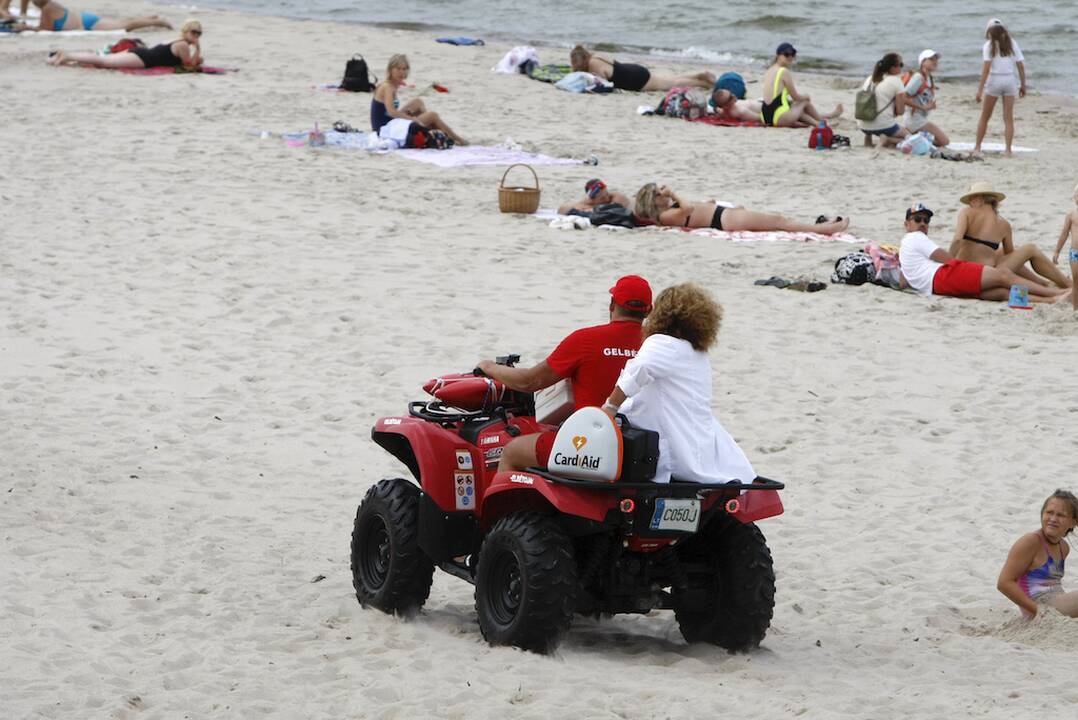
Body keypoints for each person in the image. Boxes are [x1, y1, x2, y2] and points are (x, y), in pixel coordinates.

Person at [477, 276, 652, 473]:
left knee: (511, 451)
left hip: (590, 446)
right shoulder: (656, 346)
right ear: (649, 311)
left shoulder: (586, 340)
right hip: (641, 447)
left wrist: (489, 367)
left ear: (612, 304)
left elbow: (529, 381)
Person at [600, 283, 753, 485]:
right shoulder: (698, 354)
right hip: (698, 450)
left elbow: (640, 369)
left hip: (668, 454)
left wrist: (609, 408)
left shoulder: (663, 343)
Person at [898, 203, 1068, 303]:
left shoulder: (905, 245)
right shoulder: (916, 237)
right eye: (917, 219)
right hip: (944, 276)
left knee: (1001, 292)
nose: (923, 223)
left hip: (936, 288)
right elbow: (948, 260)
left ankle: (1049, 301)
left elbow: (903, 282)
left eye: (926, 220)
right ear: (907, 224)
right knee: (1003, 275)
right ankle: (1055, 293)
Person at [949, 181, 1071, 290]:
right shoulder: (1004, 224)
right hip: (987, 273)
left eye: (971, 199)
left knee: (1001, 252)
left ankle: (1043, 283)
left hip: (966, 270)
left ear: (979, 198)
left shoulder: (966, 213)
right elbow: (1011, 255)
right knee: (1030, 249)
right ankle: (1064, 283)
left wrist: (947, 263)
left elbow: (957, 240)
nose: (969, 203)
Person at [633, 183, 850, 235]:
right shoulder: (666, 215)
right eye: (659, 193)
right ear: (654, 201)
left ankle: (821, 227)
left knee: (778, 220)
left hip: (723, 214)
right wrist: (672, 192)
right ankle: (825, 229)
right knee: (779, 222)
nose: (664, 193)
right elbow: (688, 208)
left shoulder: (668, 212)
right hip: (724, 220)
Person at [997, 490, 1078, 618]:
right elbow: (1004, 583)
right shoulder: (1030, 542)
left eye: (1061, 515)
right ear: (1042, 514)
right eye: (1049, 512)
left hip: (1058, 600)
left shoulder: (1064, 547)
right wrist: (1038, 611)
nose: (1053, 519)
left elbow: (1052, 583)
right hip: (1040, 606)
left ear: (1073, 522)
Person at [371, 54, 466, 145]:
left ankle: (428, 130)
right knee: (432, 115)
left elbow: (391, 113)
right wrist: (413, 119)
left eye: (404, 69)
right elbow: (392, 112)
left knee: (418, 102)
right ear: (390, 70)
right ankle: (458, 139)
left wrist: (410, 117)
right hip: (384, 129)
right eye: (398, 69)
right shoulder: (387, 87)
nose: (401, 72)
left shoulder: (393, 85)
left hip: (390, 122)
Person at [48, 19, 202, 70]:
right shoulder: (182, 45)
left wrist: (196, 51)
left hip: (140, 54)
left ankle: (68, 59)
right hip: (143, 58)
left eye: (198, 34)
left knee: (102, 61)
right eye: (193, 32)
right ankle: (68, 55)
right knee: (103, 61)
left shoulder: (176, 40)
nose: (196, 36)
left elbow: (190, 63)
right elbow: (189, 67)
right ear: (186, 31)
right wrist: (198, 49)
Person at [759, 42, 842, 128]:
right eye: (787, 54)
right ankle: (823, 123)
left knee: (795, 107)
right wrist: (806, 96)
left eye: (792, 54)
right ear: (778, 56)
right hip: (778, 117)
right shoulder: (783, 72)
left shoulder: (769, 70)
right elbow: (796, 97)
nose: (790, 57)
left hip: (765, 117)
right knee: (804, 102)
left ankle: (819, 122)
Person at [975, 18, 1026, 156]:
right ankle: (1008, 150)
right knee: (1008, 118)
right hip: (1010, 81)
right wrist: (1023, 85)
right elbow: (1020, 65)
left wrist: (980, 90)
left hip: (994, 81)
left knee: (985, 116)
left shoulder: (988, 46)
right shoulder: (1012, 43)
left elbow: (986, 69)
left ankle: (977, 147)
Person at [569, 44, 714, 92]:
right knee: (670, 80)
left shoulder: (593, 64)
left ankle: (702, 82)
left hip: (636, 79)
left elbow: (604, 83)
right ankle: (699, 75)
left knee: (670, 85)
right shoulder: (596, 56)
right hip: (634, 71)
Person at [856, 52, 909, 148]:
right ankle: (887, 139)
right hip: (883, 126)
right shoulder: (896, 81)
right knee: (909, 137)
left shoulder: (870, 78)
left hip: (862, 124)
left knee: (876, 122)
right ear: (893, 68)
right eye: (901, 65)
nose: (902, 67)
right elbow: (901, 111)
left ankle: (868, 137)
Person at [20, 0, 170, 31]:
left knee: (125, 26)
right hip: (85, 19)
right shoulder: (51, 5)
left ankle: (158, 22)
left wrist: (27, 28)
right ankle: (151, 18)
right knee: (123, 22)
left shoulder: (47, 9)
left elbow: (46, 29)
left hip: (86, 23)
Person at [903, 49, 950, 147]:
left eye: (936, 59)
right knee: (944, 141)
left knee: (934, 140)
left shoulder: (929, 77)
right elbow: (903, 98)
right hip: (914, 119)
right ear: (923, 62)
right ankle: (903, 137)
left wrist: (929, 106)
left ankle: (905, 136)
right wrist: (923, 107)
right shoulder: (918, 77)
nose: (935, 61)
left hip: (919, 118)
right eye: (931, 59)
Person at [1051, 182, 1078, 310]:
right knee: (1076, 281)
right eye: (1077, 195)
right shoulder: (1072, 215)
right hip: (1075, 253)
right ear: (1074, 198)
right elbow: (1064, 234)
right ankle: (1075, 308)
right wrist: (1057, 251)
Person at [557, 179, 632, 215]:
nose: (607, 198)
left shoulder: (616, 196)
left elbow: (616, 210)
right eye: (602, 198)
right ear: (592, 200)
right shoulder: (585, 203)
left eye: (607, 194)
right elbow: (562, 209)